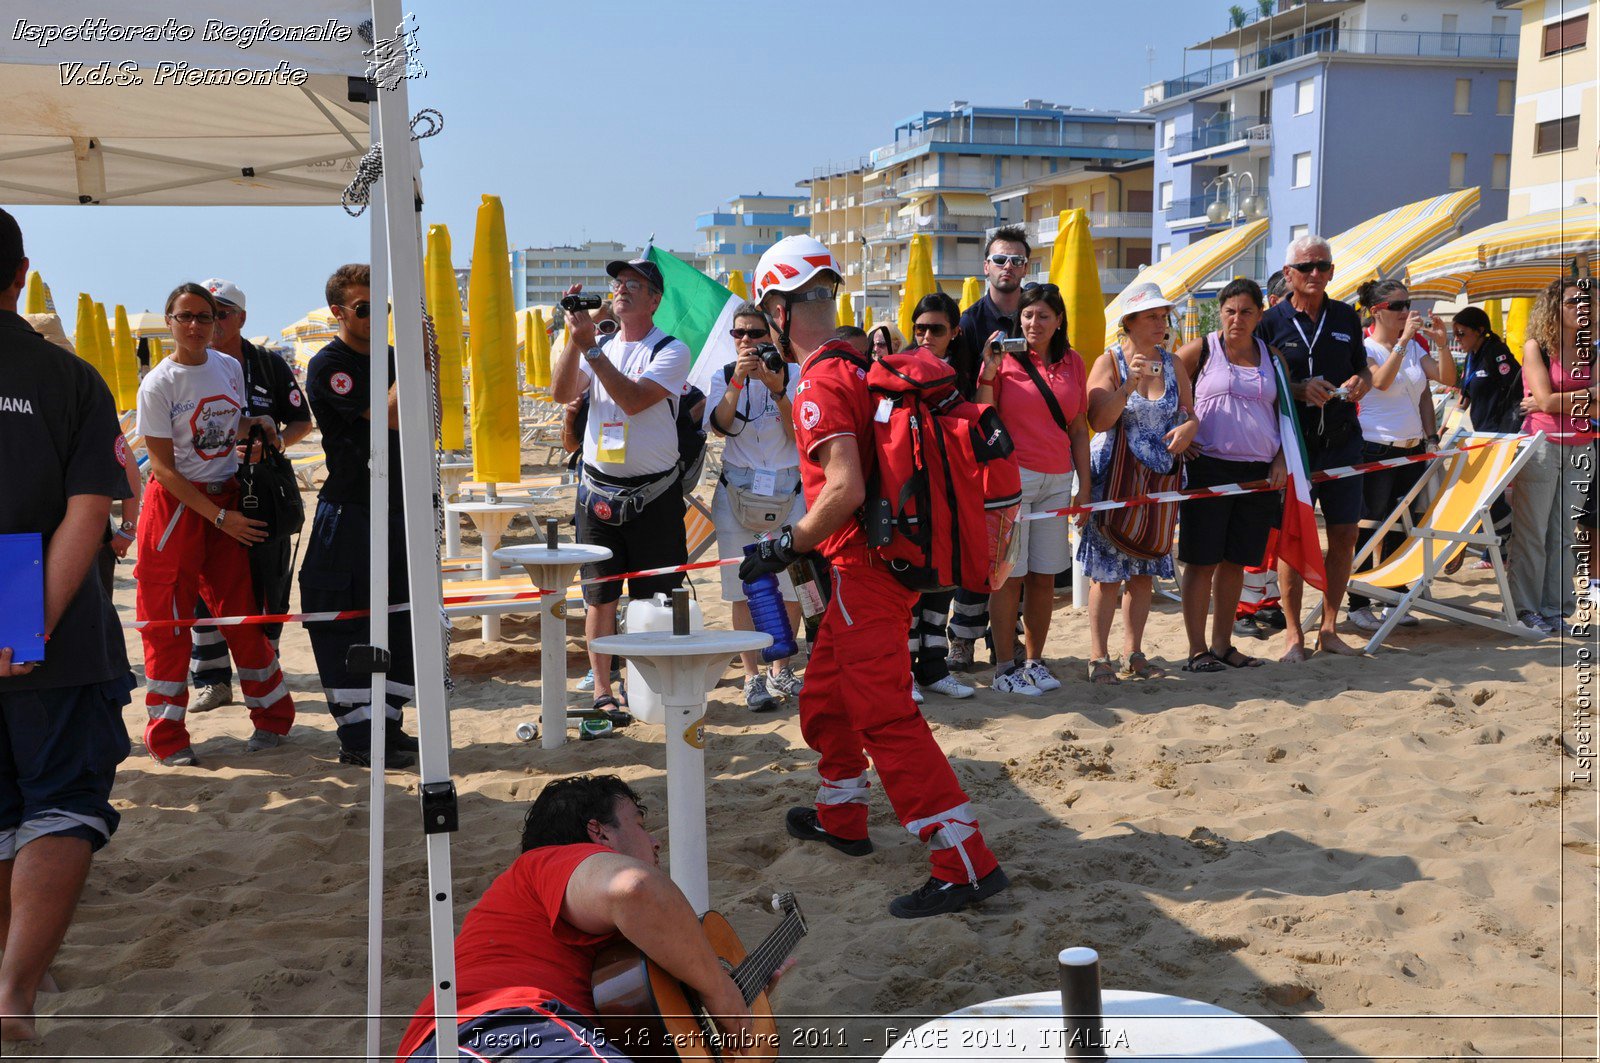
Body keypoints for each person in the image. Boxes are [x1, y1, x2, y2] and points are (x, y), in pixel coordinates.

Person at [740, 235, 1007, 918]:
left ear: (777, 309)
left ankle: (963, 856)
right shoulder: (857, 359)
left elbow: (845, 488)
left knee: (884, 712)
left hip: (864, 566)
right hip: (877, 562)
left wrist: (783, 542)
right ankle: (843, 814)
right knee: (826, 694)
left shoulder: (818, 382)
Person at [0, 209, 135, 1042]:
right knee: (59, 800)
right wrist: (27, 623)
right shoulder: (69, 377)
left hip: (20, 573)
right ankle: (14, 989)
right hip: (24, 572)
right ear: (19, 277)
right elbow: (90, 511)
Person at [394, 775, 782, 1061]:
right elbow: (635, 887)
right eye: (641, 826)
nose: (655, 841)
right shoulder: (545, 862)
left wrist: (717, 1003)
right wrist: (718, 989)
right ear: (599, 833)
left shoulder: (614, 939)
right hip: (498, 1031)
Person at [132, 283, 296, 768]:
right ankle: (167, 736)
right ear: (169, 322)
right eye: (186, 317)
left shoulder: (229, 367)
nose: (197, 326)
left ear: (220, 322)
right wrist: (221, 518)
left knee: (242, 615)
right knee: (167, 623)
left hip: (226, 499)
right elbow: (161, 468)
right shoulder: (158, 384)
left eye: (206, 317)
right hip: (178, 509)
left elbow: (224, 428)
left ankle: (272, 717)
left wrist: (258, 426)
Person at [551, 259, 691, 717]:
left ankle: (641, 687)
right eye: (617, 282)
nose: (621, 289)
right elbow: (560, 391)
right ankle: (603, 691)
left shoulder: (670, 349)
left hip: (654, 496)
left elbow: (632, 401)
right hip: (598, 492)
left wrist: (591, 350)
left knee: (652, 599)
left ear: (655, 299)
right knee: (599, 597)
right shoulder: (602, 343)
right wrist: (575, 341)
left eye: (635, 284)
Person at [299, 264, 422, 768]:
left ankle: (388, 727)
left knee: (398, 617)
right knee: (344, 619)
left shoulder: (394, 358)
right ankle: (357, 735)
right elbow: (389, 413)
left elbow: (422, 415)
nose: (376, 317)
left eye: (382, 308)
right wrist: (413, 367)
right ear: (339, 312)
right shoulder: (330, 364)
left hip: (397, 505)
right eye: (363, 308)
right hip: (349, 508)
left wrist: (414, 365)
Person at [186, 279, 312, 713]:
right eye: (203, 313)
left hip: (262, 490)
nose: (211, 322)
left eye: (220, 313)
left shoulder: (268, 364)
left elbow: (301, 421)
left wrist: (272, 443)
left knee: (269, 582)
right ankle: (213, 680)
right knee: (205, 585)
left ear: (241, 317)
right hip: (210, 491)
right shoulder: (188, 366)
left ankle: (267, 672)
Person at [1255, 235, 1373, 660]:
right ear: (1288, 274)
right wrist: (1299, 389)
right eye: (1306, 267)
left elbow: (1362, 367)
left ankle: (1328, 627)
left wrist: (1363, 382)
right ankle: (1292, 634)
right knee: (1295, 536)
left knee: (1344, 535)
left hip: (1342, 441)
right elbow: (1260, 385)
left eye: (1324, 266)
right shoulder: (1269, 322)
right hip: (1293, 443)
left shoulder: (1345, 316)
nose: (1316, 274)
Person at [974, 283, 1091, 695]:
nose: (1034, 322)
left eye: (1043, 315)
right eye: (1027, 315)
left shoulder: (1074, 362)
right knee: (1009, 577)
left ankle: (1035, 660)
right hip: (1013, 478)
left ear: (1059, 321)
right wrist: (988, 368)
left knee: (1044, 577)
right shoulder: (1003, 359)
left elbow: (1079, 428)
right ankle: (1005, 665)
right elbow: (983, 412)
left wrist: (1085, 487)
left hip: (1058, 478)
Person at [1080, 283, 1197, 684]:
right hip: (1114, 480)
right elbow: (1098, 421)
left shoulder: (1174, 363)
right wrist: (1128, 385)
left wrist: (1189, 429)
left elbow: (1189, 413)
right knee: (1107, 573)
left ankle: (1134, 652)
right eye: (1151, 316)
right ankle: (1099, 656)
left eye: (1163, 316)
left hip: (1157, 482)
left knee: (1144, 571)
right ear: (1128, 322)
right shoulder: (1108, 363)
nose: (1160, 323)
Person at [1174, 279, 1285, 671]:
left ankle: (1222, 646)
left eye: (1246, 311)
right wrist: (1181, 437)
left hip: (1258, 471)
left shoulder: (1272, 356)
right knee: (1201, 561)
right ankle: (1196, 650)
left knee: (1236, 562)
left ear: (1260, 314)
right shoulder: (1200, 350)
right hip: (1209, 467)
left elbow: (1284, 416)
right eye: (1230, 311)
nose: (1237, 318)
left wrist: (1281, 460)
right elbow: (1162, 394)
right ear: (1220, 312)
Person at [703, 302, 805, 711]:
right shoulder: (722, 375)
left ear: (773, 336)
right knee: (743, 587)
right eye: (738, 334)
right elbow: (719, 426)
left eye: (755, 334)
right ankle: (751, 677)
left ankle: (782, 668)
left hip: (788, 490)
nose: (746, 342)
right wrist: (736, 385)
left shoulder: (795, 374)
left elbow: (799, 435)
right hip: (737, 490)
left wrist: (777, 388)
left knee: (791, 586)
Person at [1345, 281, 1456, 633]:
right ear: (1377, 310)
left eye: (1408, 304)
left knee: (1401, 525)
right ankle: (1358, 602)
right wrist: (1404, 340)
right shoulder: (1366, 348)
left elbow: (1444, 381)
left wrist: (1441, 345)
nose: (1406, 311)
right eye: (1397, 306)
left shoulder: (1413, 348)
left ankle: (1392, 593)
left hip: (1411, 448)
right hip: (1376, 444)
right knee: (1370, 525)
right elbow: (1379, 382)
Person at [949, 226, 1032, 671]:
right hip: (979, 451)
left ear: (1027, 267)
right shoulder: (968, 323)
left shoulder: (1038, 314)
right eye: (1000, 260)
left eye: (1017, 260)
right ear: (986, 267)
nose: (1008, 267)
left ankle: (1007, 639)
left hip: (1027, 453)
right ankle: (961, 638)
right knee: (977, 551)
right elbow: (958, 393)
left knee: (1012, 557)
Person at [1512, 278, 1595, 636]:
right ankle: (1526, 608)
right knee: (1533, 531)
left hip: (1582, 444)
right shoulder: (1538, 347)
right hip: (1541, 444)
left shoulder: (1591, 349)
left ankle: (1554, 609)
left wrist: (1555, 401)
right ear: (1554, 308)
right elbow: (1543, 402)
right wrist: (1590, 395)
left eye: (1586, 302)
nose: (1582, 308)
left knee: (1564, 533)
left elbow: (1548, 399)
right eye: (1573, 301)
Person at [904, 293, 976, 701]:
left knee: (943, 583)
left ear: (955, 332)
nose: (927, 336)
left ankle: (933, 668)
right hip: (912, 492)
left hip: (953, 491)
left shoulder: (962, 374)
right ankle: (906, 672)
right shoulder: (898, 371)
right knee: (911, 587)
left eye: (937, 329)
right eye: (920, 329)